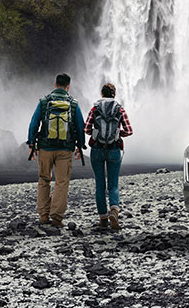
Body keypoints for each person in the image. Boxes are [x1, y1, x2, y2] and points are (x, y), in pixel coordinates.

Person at [27, 73, 86, 227]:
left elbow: (34, 124)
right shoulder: (73, 104)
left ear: (55, 85)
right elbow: (80, 127)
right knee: (61, 182)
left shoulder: (44, 102)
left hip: (45, 148)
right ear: (68, 86)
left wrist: (32, 145)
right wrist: (80, 146)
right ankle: (57, 218)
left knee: (44, 180)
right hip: (65, 150)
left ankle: (44, 216)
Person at [84, 82, 133, 230]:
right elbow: (129, 130)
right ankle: (114, 211)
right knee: (113, 185)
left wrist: (96, 134)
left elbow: (87, 128)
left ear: (101, 94)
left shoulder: (95, 108)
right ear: (114, 94)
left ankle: (103, 219)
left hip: (97, 149)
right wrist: (118, 134)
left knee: (99, 185)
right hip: (114, 149)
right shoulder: (119, 109)